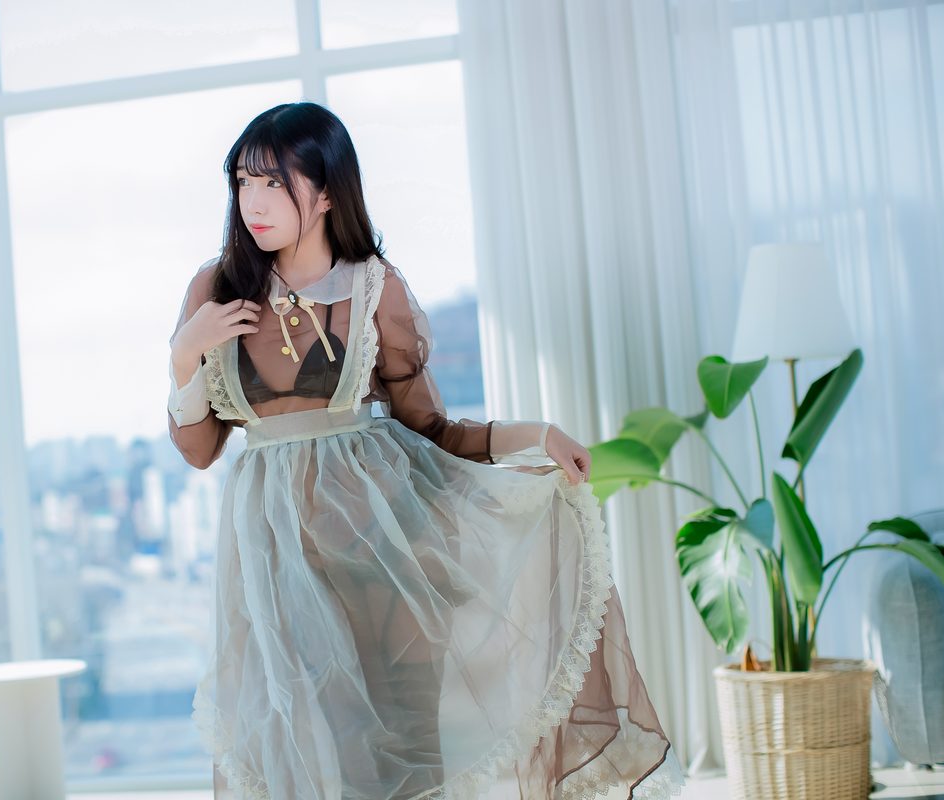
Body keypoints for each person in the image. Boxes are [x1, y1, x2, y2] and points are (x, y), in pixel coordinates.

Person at [167, 102, 684, 799]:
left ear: (326, 192)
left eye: (274, 184)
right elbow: (200, 450)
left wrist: (535, 436)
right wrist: (184, 357)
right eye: (243, 182)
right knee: (289, 751)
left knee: (401, 746)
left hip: (381, 551)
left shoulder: (374, 288)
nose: (252, 203)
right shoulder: (217, 289)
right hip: (272, 568)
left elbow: (431, 431)